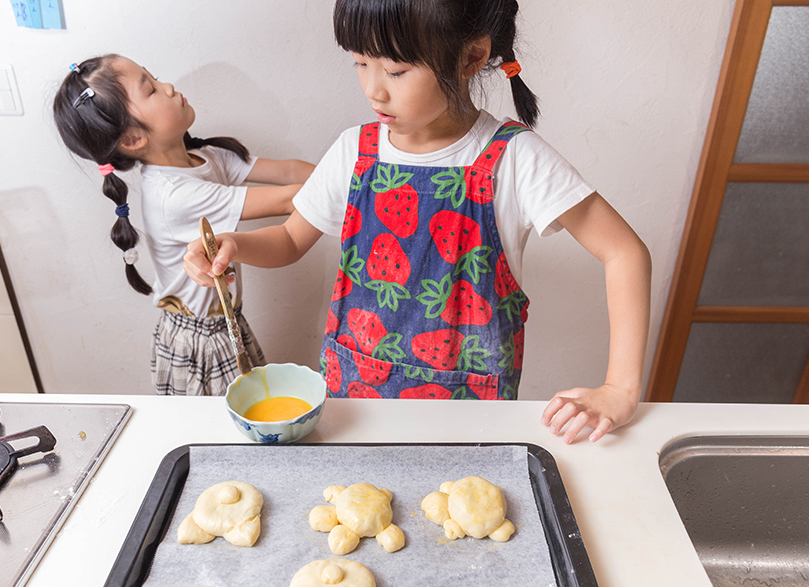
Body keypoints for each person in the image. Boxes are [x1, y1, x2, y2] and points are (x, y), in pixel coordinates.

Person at [183, 0, 651, 443]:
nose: (373, 89)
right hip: (354, 410)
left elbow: (624, 252)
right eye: (360, 63)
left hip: (468, 421)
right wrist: (234, 247)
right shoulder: (354, 150)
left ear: (471, 57)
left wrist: (621, 389)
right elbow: (288, 239)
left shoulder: (515, 159)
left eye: (395, 70)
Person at [53, 54, 314, 396]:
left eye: (155, 76)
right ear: (132, 139)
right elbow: (288, 199)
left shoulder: (205, 156)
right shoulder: (174, 195)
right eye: (151, 89)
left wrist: (360, 168)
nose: (169, 86)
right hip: (199, 345)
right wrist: (373, 184)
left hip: (224, 325)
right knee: (225, 438)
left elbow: (290, 172)